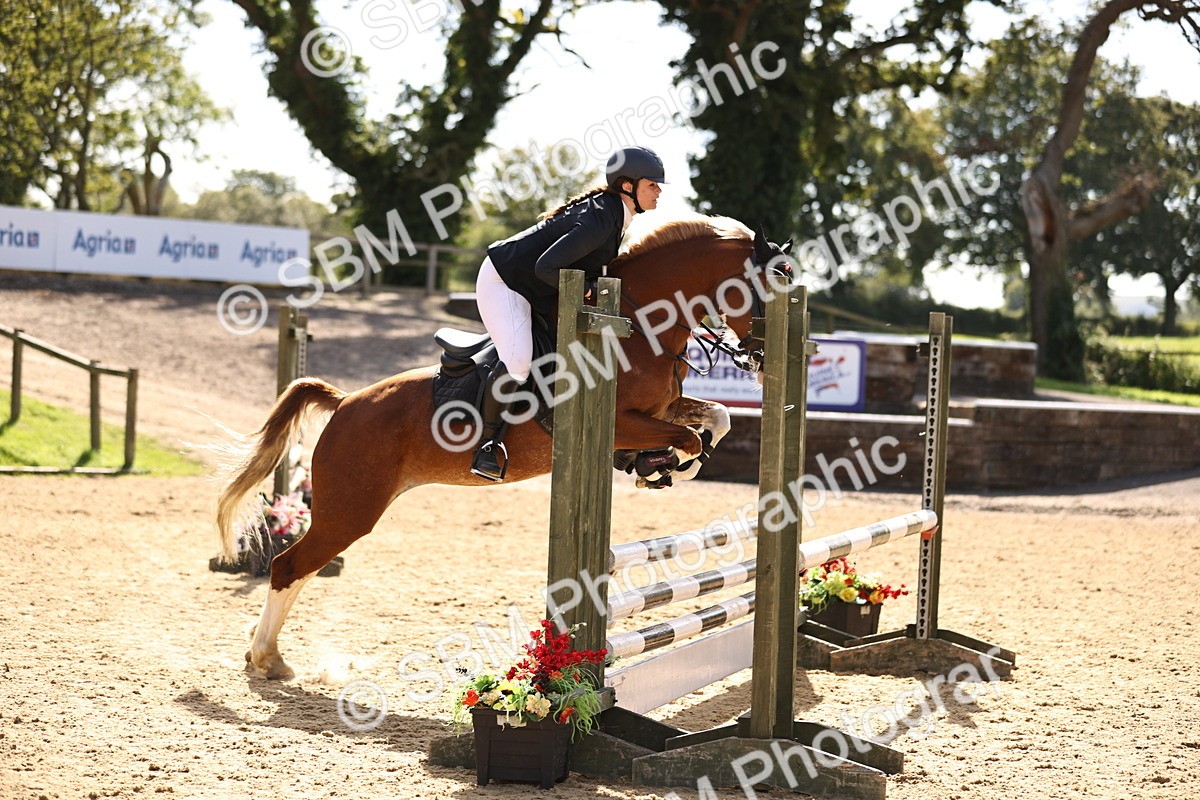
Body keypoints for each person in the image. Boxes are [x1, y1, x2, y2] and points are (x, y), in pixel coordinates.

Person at [470, 145, 666, 481]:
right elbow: (546, 266)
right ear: (628, 186)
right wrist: (589, 289)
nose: (659, 191)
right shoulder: (600, 218)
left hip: (536, 286)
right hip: (506, 282)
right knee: (518, 361)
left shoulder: (614, 215)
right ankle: (486, 445)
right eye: (652, 185)